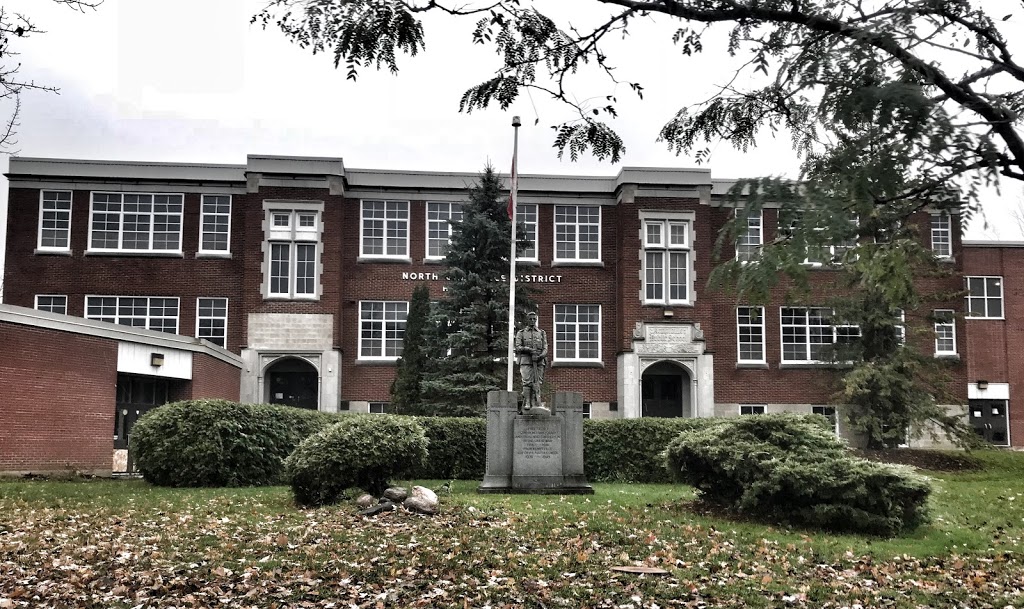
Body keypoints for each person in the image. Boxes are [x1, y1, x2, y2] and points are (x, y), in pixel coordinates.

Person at [514, 311, 548, 411]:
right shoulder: (521, 333)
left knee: (538, 382)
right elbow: (518, 347)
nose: (532, 321)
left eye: (534, 319)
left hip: (539, 361)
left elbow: (545, 347)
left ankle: (536, 402)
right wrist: (529, 350)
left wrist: (540, 356)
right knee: (527, 382)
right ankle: (527, 402)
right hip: (526, 361)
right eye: (530, 319)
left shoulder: (541, 332)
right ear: (527, 320)